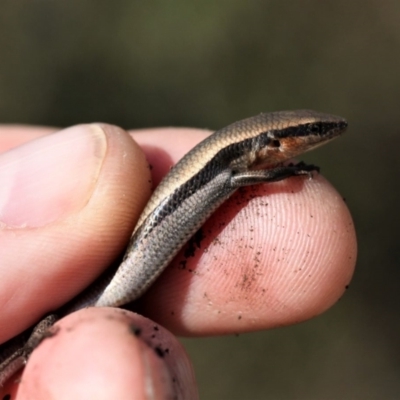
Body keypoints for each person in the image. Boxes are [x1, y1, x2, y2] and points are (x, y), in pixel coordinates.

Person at [0, 123, 356, 399]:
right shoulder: (231, 170)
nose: (320, 136)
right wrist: (288, 172)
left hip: (117, 279)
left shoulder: (231, 168)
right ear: (274, 142)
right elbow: (235, 179)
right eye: (314, 131)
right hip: (107, 281)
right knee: (53, 331)